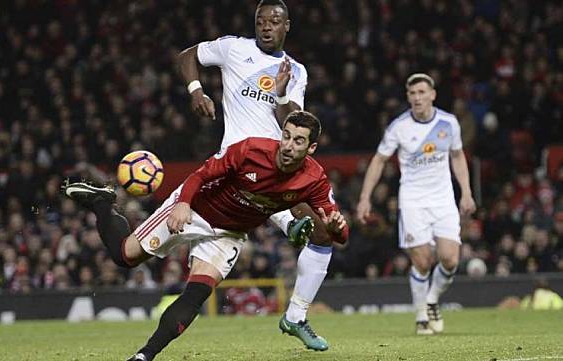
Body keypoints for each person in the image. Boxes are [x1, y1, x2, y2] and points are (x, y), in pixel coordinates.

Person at [62, 111, 348, 361]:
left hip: (230, 234)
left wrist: (336, 227)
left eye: (298, 141)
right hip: (195, 208)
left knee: (197, 292)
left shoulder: (314, 179)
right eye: (286, 136)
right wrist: (184, 204)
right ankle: (102, 203)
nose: (288, 145)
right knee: (125, 256)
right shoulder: (250, 150)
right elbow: (200, 175)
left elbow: (341, 235)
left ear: (311, 147)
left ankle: (144, 355)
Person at [176, 0, 338, 350]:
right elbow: (187, 55)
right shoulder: (234, 48)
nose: (266, 27)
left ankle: (295, 316)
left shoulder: (296, 70)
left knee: (325, 232)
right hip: (237, 164)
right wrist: (196, 90)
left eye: (274, 22)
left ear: (287, 26)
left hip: (280, 165)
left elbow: (292, 121)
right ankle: (285, 221)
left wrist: (279, 92)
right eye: (261, 21)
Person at [356, 73, 476, 335]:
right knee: (422, 262)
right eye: (412, 94)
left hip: (443, 199)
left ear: (432, 94)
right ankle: (421, 314)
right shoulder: (399, 127)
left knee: (450, 259)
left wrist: (466, 192)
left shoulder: (449, 123)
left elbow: (457, 156)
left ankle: (431, 300)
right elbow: (378, 160)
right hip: (412, 200)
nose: (417, 98)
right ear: (408, 97)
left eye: (422, 92)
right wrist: (365, 197)